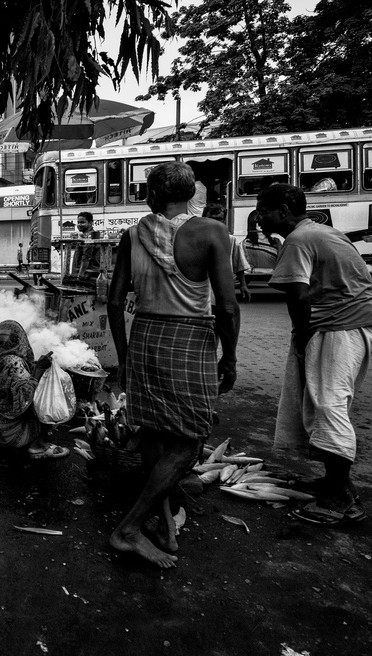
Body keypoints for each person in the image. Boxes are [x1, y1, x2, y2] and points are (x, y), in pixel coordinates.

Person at [107, 161, 239, 568]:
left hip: (146, 335)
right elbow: (228, 307)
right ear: (192, 194)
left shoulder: (133, 235)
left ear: (150, 195)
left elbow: (114, 302)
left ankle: (164, 524)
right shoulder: (211, 231)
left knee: (154, 432)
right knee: (188, 441)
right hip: (190, 338)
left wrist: (125, 356)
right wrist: (229, 356)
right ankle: (129, 529)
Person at [256, 183, 372, 527]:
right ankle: (333, 483)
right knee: (325, 403)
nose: (258, 218)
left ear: (284, 210)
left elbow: (298, 295)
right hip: (354, 321)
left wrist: (302, 335)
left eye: (263, 210)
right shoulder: (320, 231)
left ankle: (339, 498)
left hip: (341, 324)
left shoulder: (299, 240)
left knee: (329, 404)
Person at [0, 320, 70, 460]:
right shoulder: (14, 362)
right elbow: (24, 398)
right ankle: (37, 447)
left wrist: (33, 368)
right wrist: (39, 369)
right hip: (8, 435)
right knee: (50, 409)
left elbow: (13, 381)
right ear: (20, 338)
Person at [204, 203, 251, 302]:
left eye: (219, 219)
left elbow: (239, 265)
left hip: (223, 288)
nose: (215, 223)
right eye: (211, 219)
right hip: (203, 290)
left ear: (224, 221)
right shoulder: (198, 239)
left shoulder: (231, 240)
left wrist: (243, 285)